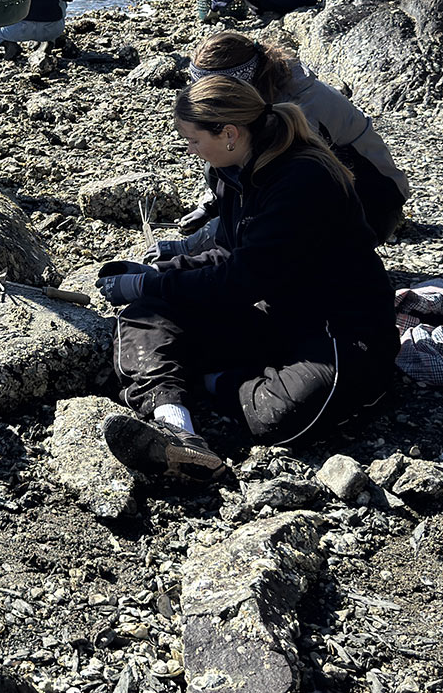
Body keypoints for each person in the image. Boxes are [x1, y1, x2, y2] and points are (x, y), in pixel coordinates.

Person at [95, 75, 397, 484]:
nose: (190, 149)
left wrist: (149, 283)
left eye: (193, 139)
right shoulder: (231, 173)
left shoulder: (302, 179)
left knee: (280, 419)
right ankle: (176, 429)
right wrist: (161, 273)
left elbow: (243, 279)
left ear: (229, 134)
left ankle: (212, 381)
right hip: (274, 316)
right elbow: (229, 251)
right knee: (145, 314)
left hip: (340, 334)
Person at [189, 29, 410, 242]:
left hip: (372, 203)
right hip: (325, 192)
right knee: (219, 151)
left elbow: (288, 185)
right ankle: (223, 215)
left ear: (236, 85)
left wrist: (214, 236)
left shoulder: (298, 107)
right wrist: (215, 203)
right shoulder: (258, 89)